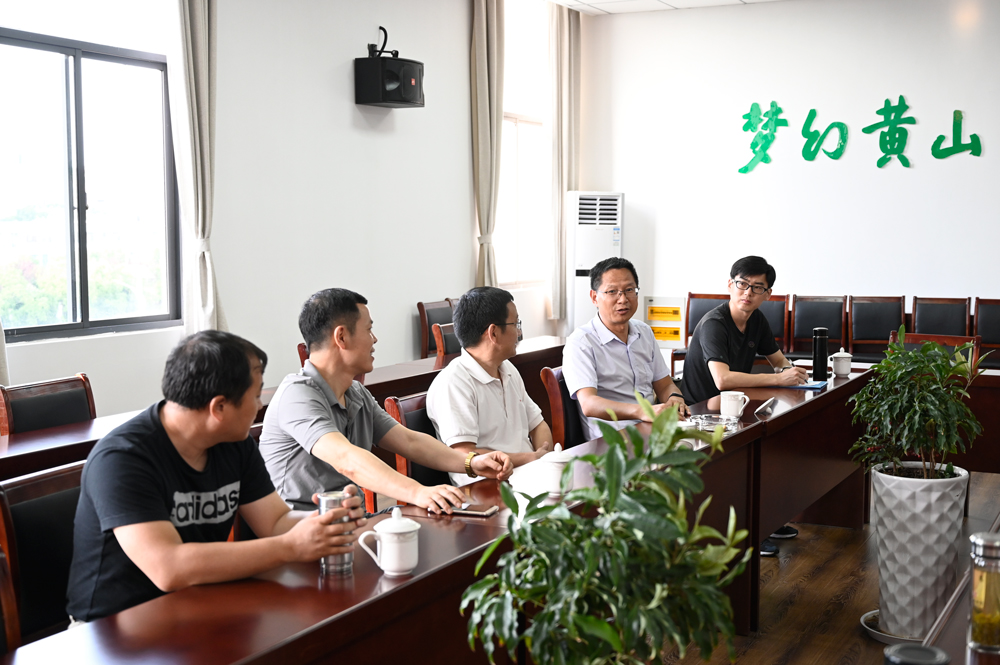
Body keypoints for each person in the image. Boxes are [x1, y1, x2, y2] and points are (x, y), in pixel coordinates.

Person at [66, 331, 366, 623]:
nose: (260, 406)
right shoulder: (123, 459)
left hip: (199, 602)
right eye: (255, 396)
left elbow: (275, 522)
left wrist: (325, 521)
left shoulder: (234, 442)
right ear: (219, 407)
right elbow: (168, 568)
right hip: (112, 628)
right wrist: (291, 546)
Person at [259, 288, 513, 514]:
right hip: (300, 532)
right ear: (341, 337)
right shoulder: (297, 395)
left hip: (350, 524)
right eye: (368, 329)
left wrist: (472, 463)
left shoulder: (355, 392)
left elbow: (409, 441)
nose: (375, 339)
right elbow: (347, 459)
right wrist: (417, 492)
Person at [682, 255, 809, 556]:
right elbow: (722, 379)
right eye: (742, 284)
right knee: (747, 458)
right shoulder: (714, 324)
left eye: (757, 287)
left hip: (734, 408)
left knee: (776, 444)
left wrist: (793, 374)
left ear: (768, 294)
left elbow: (779, 362)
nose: (747, 293)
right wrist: (778, 379)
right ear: (730, 284)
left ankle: (765, 520)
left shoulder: (757, 321)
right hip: (702, 413)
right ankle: (749, 532)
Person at [426, 287, 554, 486]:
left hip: (528, 476)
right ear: (493, 332)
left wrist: (543, 458)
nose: (519, 332)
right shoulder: (453, 383)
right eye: (515, 324)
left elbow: (538, 424)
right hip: (484, 488)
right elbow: (465, 454)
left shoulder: (507, 368)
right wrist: (531, 458)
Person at [562, 257, 688, 442]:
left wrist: (675, 398)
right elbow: (589, 403)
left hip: (653, 432)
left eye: (629, 290)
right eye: (612, 291)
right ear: (594, 297)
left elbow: (664, 384)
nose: (623, 299)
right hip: (613, 443)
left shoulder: (644, 332)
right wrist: (643, 412)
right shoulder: (581, 343)